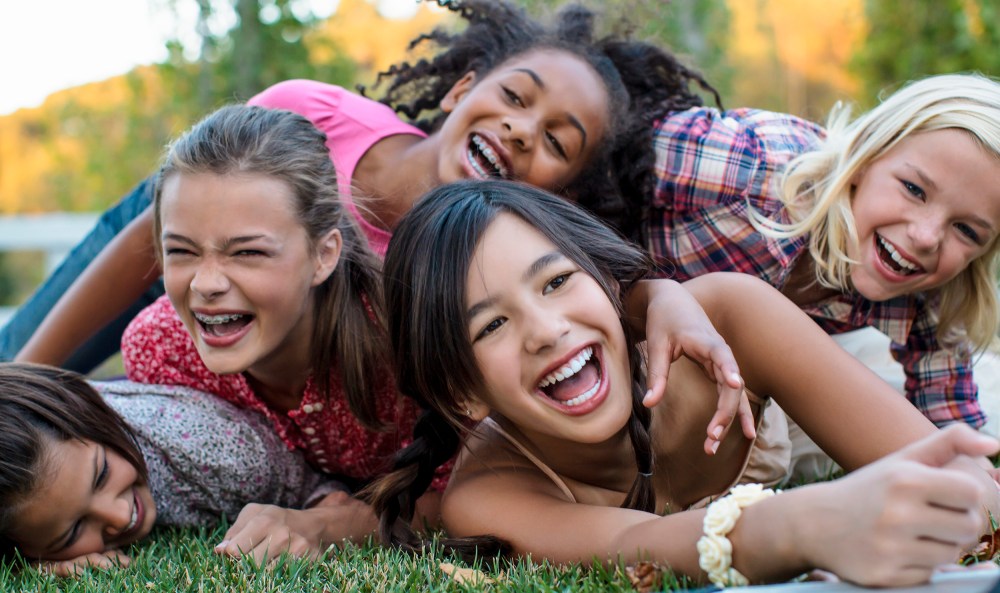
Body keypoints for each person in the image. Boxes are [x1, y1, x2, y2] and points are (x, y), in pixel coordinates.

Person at [1, 0, 716, 376]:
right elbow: (146, 241)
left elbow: (607, 290)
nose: (525, 130)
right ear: (462, 89)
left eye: (559, 141)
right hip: (163, 244)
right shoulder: (311, 109)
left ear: (560, 191)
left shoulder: (471, 262)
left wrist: (665, 296)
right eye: (516, 96)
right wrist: (26, 373)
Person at [367, 179, 1000, 588]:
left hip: (846, 366)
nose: (545, 330)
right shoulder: (490, 495)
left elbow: (961, 484)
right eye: (492, 325)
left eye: (556, 281)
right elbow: (638, 544)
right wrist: (807, 523)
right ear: (462, 395)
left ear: (608, 283)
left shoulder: (727, 315)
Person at [642, 73, 1000, 441]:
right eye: (913, 189)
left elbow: (950, 423)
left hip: (718, 364)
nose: (926, 237)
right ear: (866, 156)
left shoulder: (928, 292)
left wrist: (973, 469)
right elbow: (612, 151)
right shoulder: (748, 166)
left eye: (967, 230)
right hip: (627, 313)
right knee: (770, 447)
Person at [0, 362, 333, 577]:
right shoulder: (71, 452)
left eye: (101, 475)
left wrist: (314, 522)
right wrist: (28, 569)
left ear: (95, 414)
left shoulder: (227, 458)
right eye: (72, 532)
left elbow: (343, 491)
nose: (119, 516)